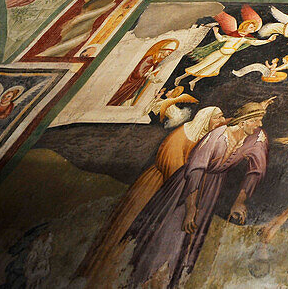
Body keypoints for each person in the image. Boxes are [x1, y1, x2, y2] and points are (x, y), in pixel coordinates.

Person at [125, 99, 272, 289]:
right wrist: (191, 207)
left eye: (261, 120)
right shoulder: (218, 135)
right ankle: (142, 278)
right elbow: (195, 169)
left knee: (191, 235)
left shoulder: (258, 138)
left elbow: (256, 171)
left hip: (212, 188)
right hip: (187, 186)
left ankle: (170, 281)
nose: (259, 124)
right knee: (173, 227)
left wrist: (239, 201)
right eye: (256, 120)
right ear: (244, 121)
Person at [75, 106, 225, 287]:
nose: (221, 121)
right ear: (205, 118)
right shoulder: (182, 136)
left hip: (177, 193)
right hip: (157, 188)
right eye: (218, 118)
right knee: (127, 231)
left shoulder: (204, 138)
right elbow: (173, 170)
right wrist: (189, 192)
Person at [107, 38, 179, 107]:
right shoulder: (150, 58)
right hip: (131, 82)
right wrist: (150, 76)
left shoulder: (156, 61)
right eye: (169, 52)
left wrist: (152, 77)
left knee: (128, 97)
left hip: (137, 84)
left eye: (170, 53)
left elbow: (148, 72)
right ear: (163, 50)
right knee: (121, 96)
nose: (168, 54)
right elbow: (139, 72)